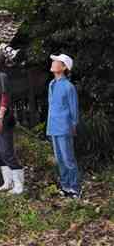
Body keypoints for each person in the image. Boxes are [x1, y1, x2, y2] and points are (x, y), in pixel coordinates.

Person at [0, 51, 24, 194]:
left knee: (6, 151)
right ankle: (7, 182)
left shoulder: (2, 76)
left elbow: (4, 97)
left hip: (3, 119)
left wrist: (0, 117)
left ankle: (19, 185)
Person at [47, 53, 81, 198]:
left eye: (57, 62)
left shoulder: (69, 87)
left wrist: (73, 125)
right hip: (53, 126)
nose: (54, 63)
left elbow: (74, 109)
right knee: (60, 159)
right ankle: (66, 186)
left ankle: (75, 188)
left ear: (64, 67)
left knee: (68, 159)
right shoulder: (52, 84)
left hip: (64, 127)